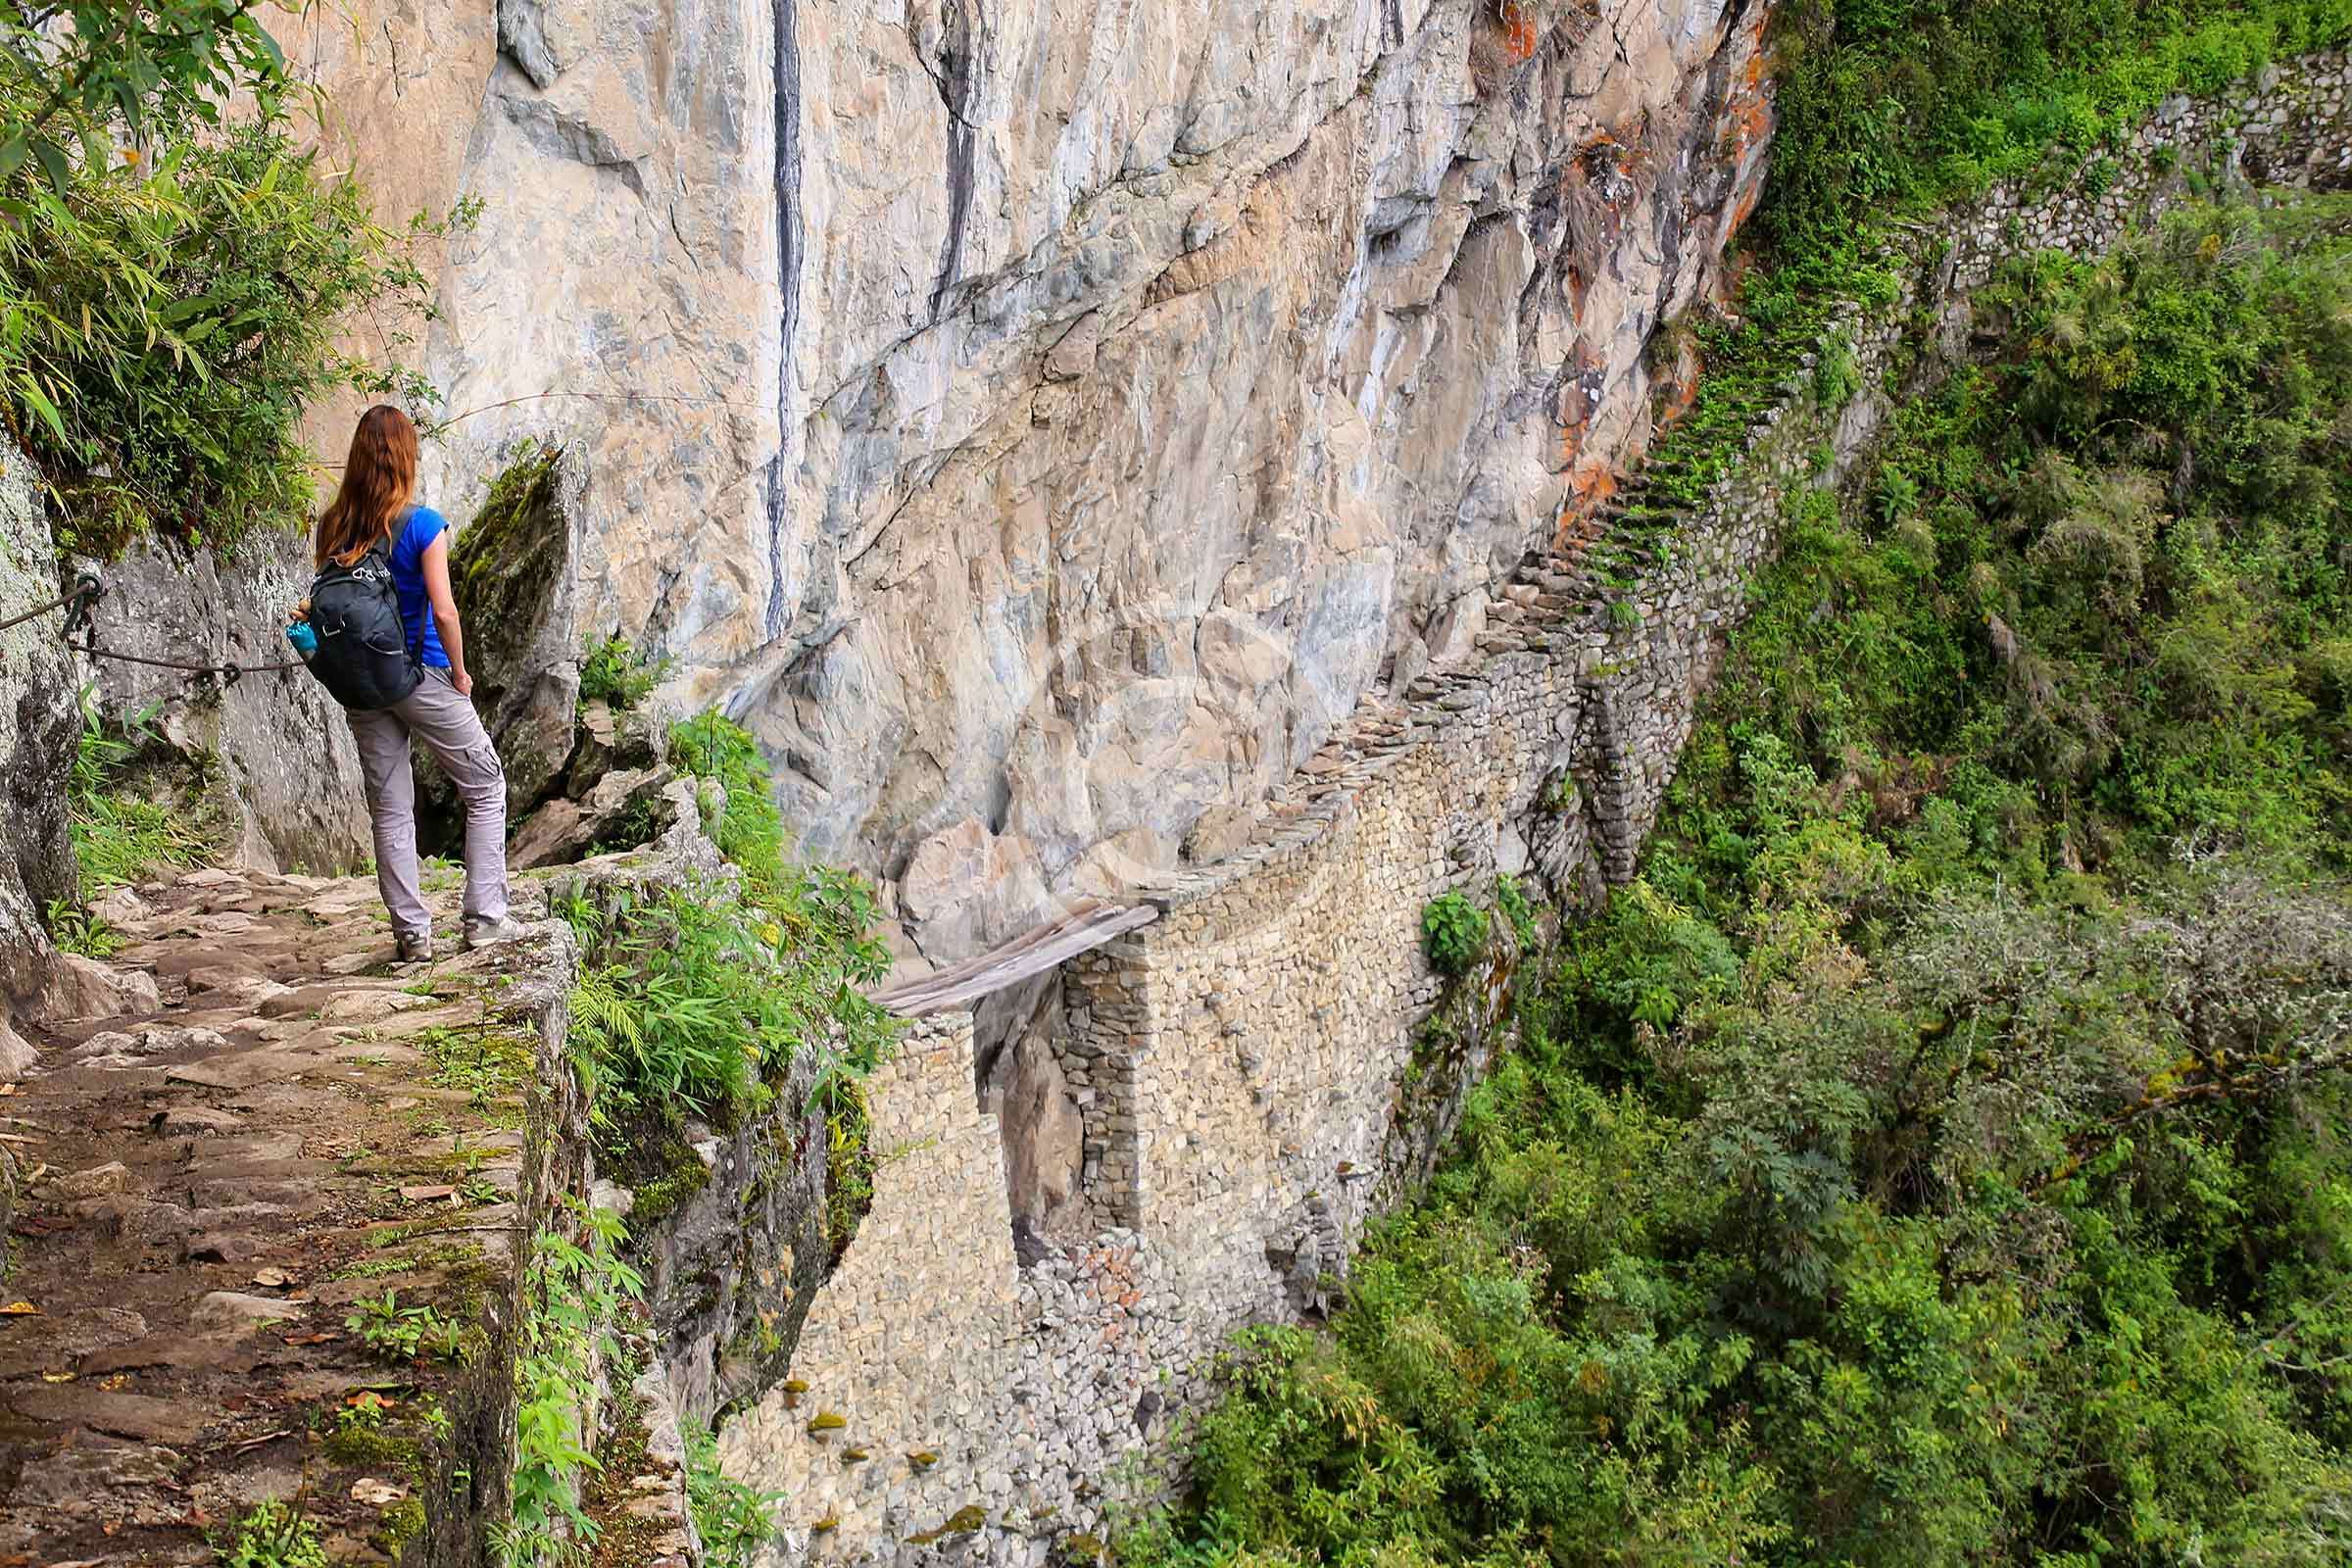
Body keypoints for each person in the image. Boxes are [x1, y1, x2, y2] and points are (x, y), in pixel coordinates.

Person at [313, 405, 524, 961]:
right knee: (485, 784)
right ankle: (486, 917)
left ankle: (412, 935)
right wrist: (460, 673)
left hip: (362, 685)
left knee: (390, 807)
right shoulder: (423, 525)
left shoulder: (333, 526)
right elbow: (445, 610)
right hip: (422, 674)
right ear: (407, 458)